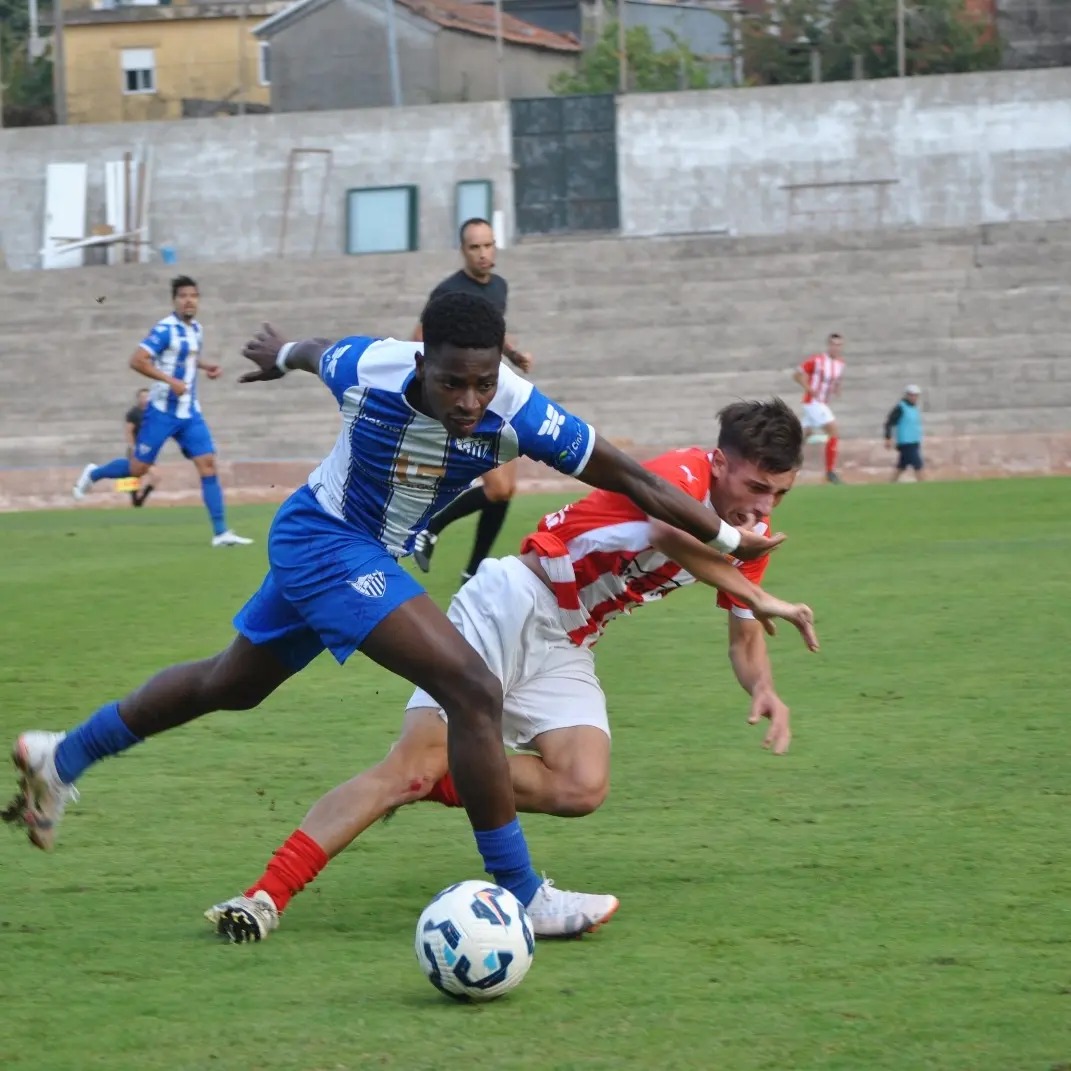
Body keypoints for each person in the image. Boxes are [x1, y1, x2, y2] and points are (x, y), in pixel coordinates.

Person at [6, 292, 781, 942]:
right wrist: (279, 355)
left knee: (228, 683)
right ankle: (519, 892)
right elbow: (317, 352)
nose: (471, 402)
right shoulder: (370, 367)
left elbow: (637, 480)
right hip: (322, 537)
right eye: (453, 383)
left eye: (484, 383)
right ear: (421, 364)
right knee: (471, 688)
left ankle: (62, 754)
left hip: (359, 556)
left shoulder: (521, 411)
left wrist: (730, 539)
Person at [204, 399, 815, 944]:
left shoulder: (747, 538)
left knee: (582, 786)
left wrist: (764, 686)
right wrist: (746, 573)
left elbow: (744, 638)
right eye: (757, 485)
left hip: (568, 639)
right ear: (720, 461)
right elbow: (665, 527)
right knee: (406, 771)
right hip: (514, 600)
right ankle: (263, 897)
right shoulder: (685, 472)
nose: (764, 506)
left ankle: (452, 774)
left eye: (779, 494)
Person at [72, 275, 251, 547]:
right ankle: (94, 474)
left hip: (189, 412)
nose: (188, 300)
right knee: (138, 469)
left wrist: (206, 367)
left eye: (193, 295)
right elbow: (137, 360)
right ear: (174, 300)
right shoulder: (165, 328)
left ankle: (221, 533)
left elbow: (186, 357)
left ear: (198, 300)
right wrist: (170, 381)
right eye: (183, 296)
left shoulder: (196, 329)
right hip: (161, 412)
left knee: (208, 464)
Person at [411, 218, 532, 582]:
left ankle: (473, 570)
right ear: (463, 251)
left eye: (488, 245)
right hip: (465, 400)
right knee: (496, 488)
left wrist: (511, 353)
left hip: (494, 393)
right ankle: (431, 526)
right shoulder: (449, 292)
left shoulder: (499, 286)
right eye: (474, 247)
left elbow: (493, 329)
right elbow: (418, 340)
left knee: (505, 491)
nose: (483, 253)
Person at [793, 332, 845, 484]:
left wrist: (836, 389)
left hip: (822, 403)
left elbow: (837, 380)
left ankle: (784, 463)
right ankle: (830, 472)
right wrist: (808, 387)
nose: (836, 348)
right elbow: (797, 374)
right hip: (813, 402)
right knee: (834, 431)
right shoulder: (818, 361)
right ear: (828, 345)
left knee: (802, 436)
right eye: (833, 344)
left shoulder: (840, 364)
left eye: (839, 345)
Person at [123, 388, 158, 507]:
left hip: (147, 449)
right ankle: (135, 501)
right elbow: (129, 431)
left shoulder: (152, 411)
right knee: (136, 477)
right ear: (138, 398)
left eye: (147, 397)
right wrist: (132, 447)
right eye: (143, 397)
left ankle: (140, 499)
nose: (145, 399)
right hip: (136, 449)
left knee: (156, 476)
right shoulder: (133, 413)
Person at [884, 384, 925, 482]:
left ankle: (890, 485)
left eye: (916, 395)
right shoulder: (900, 408)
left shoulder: (914, 408)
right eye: (912, 395)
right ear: (907, 395)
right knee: (918, 465)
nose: (914, 397)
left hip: (914, 441)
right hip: (906, 442)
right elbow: (889, 423)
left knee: (901, 466)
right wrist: (888, 438)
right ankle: (924, 484)